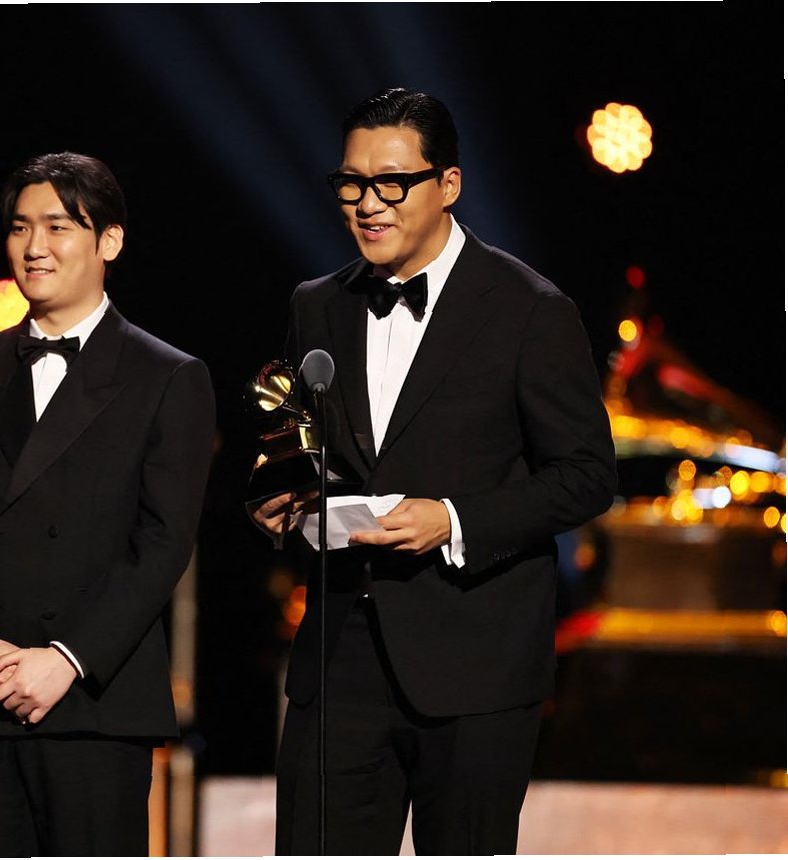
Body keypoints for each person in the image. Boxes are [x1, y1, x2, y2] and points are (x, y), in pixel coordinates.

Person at [251, 88, 616, 855]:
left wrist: (451, 519)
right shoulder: (316, 305)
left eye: (391, 184)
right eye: (350, 184)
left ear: (447, 184)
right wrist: (281, 493)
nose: (367, 205)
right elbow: (298, 440)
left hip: (475, 666)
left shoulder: (528, 309)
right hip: (338, 660)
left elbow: (586, 473)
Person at [0, 151, 215, 856]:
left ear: (110, 241)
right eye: (20, 228)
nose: (34, 247)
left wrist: (66, 658)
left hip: (93, 707)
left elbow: (162, 543)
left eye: (57, 227)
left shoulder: (167, 377)